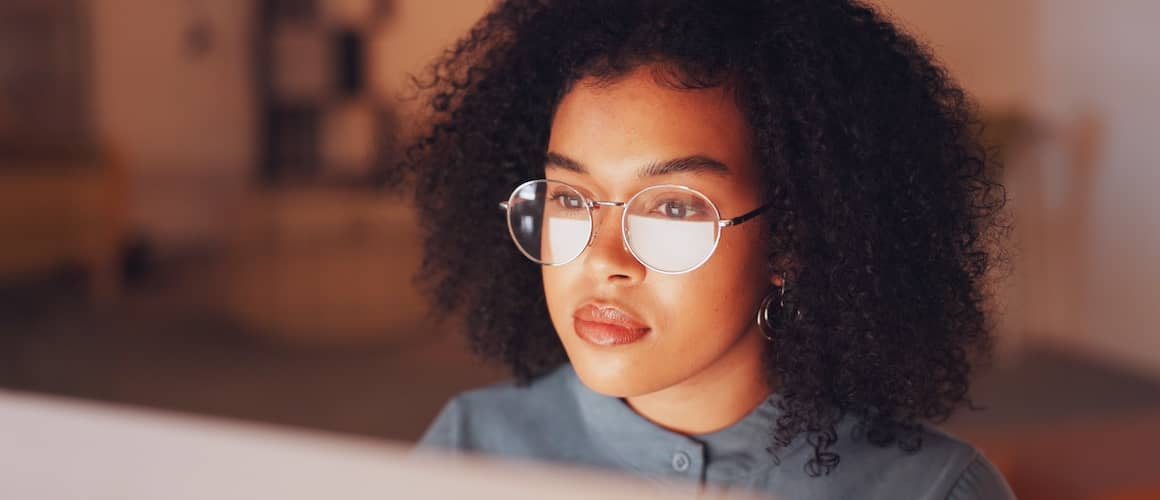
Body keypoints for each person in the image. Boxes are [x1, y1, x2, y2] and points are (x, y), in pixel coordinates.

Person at [395, 1, 1015, 498]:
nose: (604, 259)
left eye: (671, 207)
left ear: (793, 237)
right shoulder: (469, 449)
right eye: (570, 196)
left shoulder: (934, 490)